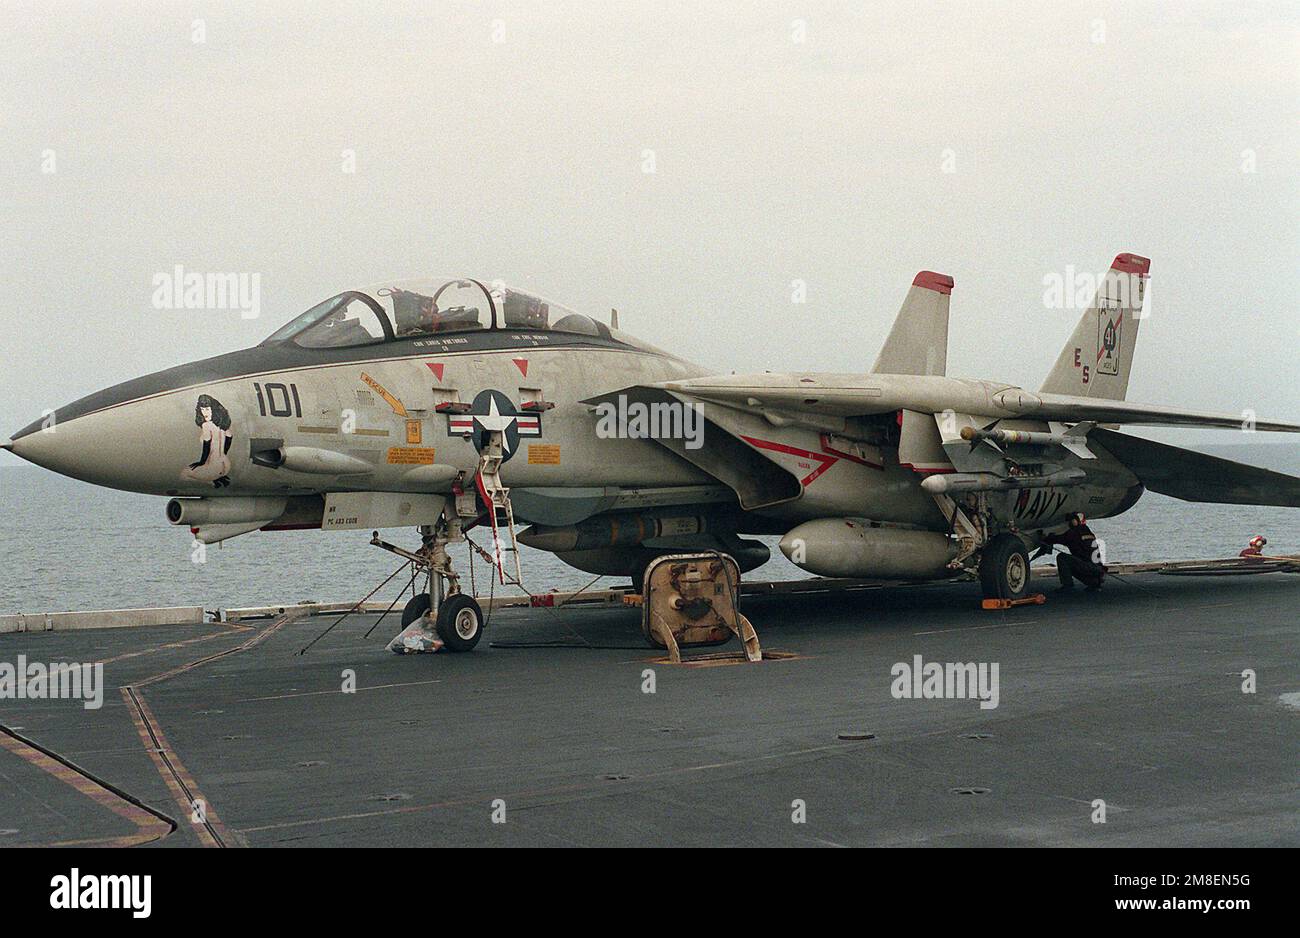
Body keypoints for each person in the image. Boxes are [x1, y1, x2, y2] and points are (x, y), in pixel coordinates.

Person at [1039, 512, 1106, 590]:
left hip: (1088, 566)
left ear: (1074, 522)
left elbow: (1056, 539)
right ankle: (1094, 582)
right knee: (1077, 562)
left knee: (1062, 557)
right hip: (1098, 568)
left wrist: (1044, 537)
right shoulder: (1088, 532)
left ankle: (1067, 585)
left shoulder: (1073, 533)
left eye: (1070, 521)